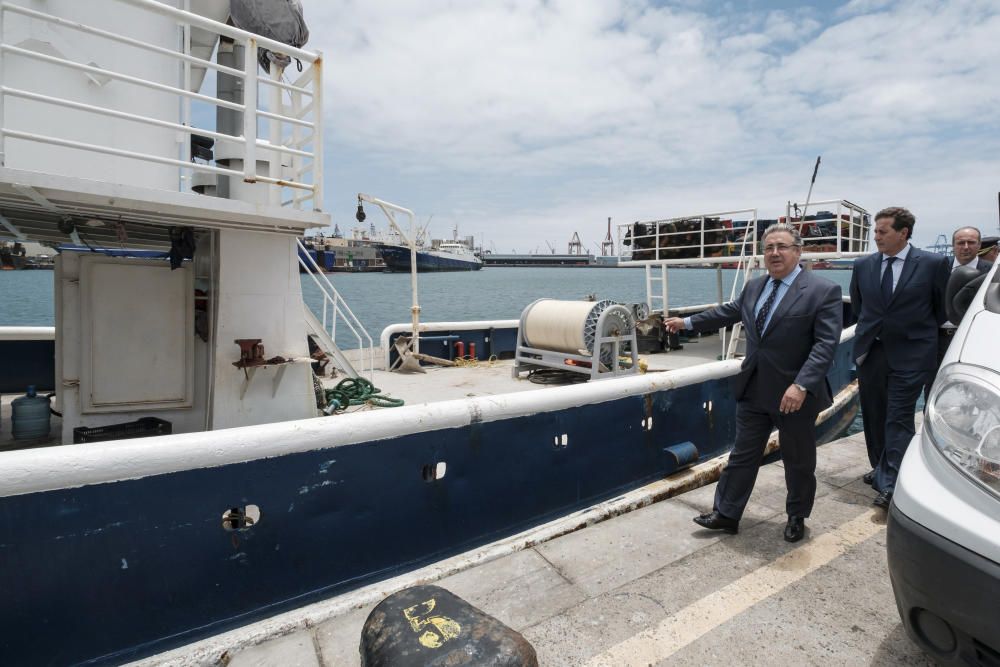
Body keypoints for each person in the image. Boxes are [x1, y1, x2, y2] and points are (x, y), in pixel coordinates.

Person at [663, 223, 842, 543]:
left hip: (793, 395)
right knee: (742, 455)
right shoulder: (755, 287)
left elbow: (825, 345)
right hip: (754, 388)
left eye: (782, 246)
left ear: (798, 251)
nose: (774, 253)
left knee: (798, 460)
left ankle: (797, 516)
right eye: (769, 247)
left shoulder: (821, 291)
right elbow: (728, 313)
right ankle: (727, 514)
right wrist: (686, 322)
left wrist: (801, 385)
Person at [850, 207, 949, 509]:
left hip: (912, 353)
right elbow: (859, 306)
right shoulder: (863, 265)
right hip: (873, 352)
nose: (876, 237)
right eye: (875, 231)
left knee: (899, 416)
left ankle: (892, 483)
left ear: (903, 233)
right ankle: (880, 466)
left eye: (883, 231)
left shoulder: (933, 263)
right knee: (874, 414)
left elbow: (941, 308)